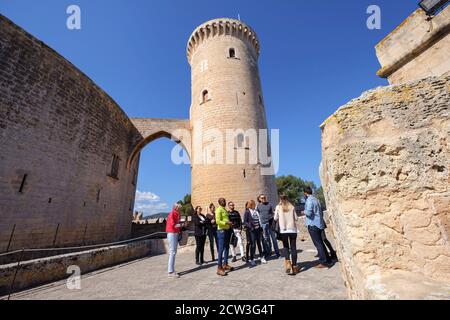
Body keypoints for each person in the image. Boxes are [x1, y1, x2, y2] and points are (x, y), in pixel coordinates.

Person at [303, 186, 331, 268]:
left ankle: (324, 262)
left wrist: (303, 211)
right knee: (321, 243)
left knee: (318, 244)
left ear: (305, 193)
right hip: (319, 223)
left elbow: (308, 213)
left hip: (313, 224)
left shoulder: (309, 201)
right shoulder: (316, 199)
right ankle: (328, 260)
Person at [274, 195, 300, 275]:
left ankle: (288, 264)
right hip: (292, 229)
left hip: (283, 230)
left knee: (285, 247)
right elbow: (296, 218)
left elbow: (275, 218)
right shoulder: (291, 206)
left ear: (280, 199)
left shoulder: (278, 207)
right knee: (293, 248)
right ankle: (295, 266)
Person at [256, 194, 280, 260]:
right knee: (266, 239)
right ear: (259, 199)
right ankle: (268, 252)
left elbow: (273, 212)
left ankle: (277, 253)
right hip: (263, 224)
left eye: (264, 197)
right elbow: (257, 214)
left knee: (274, 239)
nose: (264, 198)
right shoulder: (258, 206)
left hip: (271, 223)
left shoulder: (269, 204)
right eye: (262, 198)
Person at [215, 198, 234, 276]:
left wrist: (230, 224)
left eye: (225, 201)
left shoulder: (225, 210)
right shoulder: (218, 210)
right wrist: (226, 222)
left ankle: (225, 264)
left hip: (227, 230)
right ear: (219, 202)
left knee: (226, 248)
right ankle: (219, 268)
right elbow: (218, 221)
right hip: (221, 231)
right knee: (221, 249)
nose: (224, 202)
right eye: (223, 201)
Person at [166, 203, 184, 278]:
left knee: (173, 252)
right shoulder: (172, 214)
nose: (180, 209)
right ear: (176, 208)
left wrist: (182, 225)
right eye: (179, 208)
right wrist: (181, 225)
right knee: (172, 252)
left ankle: (171, 270)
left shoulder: (177, 214)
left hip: (174, 233)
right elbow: (173, 224)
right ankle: (170, 272)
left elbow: (177, 224)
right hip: (172, 233)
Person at [243, 200, 264, 267]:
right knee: (253, 245)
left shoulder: (255, 211)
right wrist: (251, 226)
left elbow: (258, 220)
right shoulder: (247, 212)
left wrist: (260, 228)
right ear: (250, 204)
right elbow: (245, 222)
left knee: (259, 244)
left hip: (258, 230)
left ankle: (261, 257)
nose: (254, 205)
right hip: (252, 231)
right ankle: (252, 259)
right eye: (253, 204)